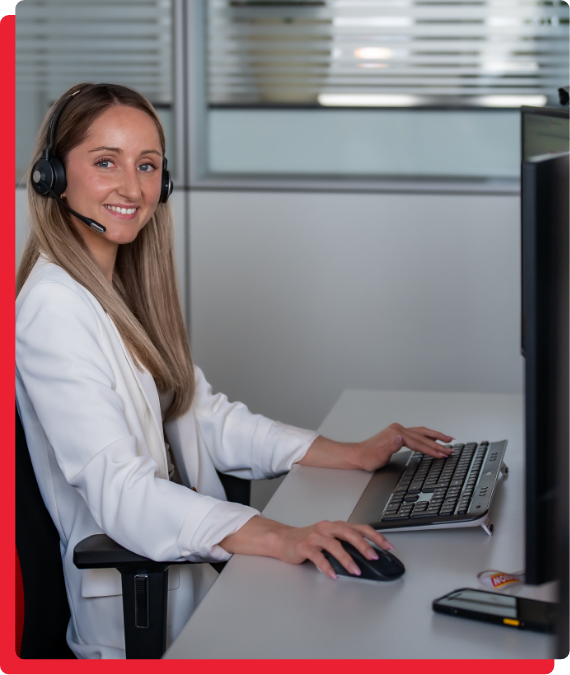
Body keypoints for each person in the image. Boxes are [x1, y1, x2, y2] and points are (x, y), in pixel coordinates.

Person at [15, 83, 454, 659]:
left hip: (194, 582)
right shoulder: (54, 307)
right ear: (52, 176)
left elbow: (206, 418)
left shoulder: (120, 288)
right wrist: (278, 535)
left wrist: (348, 454)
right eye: (105, 162)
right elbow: (119, 491)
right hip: (137, 621)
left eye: (147, 165)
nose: (133, 188)